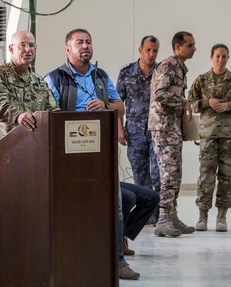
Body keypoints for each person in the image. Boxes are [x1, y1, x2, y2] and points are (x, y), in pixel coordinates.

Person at [45, 28, 158, 280]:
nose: (85, 46)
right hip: (69, 160)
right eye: (79, 43)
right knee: (94, 206)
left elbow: (119, 106)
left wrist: (105, 105)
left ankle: (117, 261)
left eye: (88, 42)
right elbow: (48, 114)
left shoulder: (100, 76)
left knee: (120, 205)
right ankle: (79, 255)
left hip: (102, 157)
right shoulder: (54, 78)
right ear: (67, 49)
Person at [0, 30, 59, 286]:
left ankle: (30, 262)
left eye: (32, 46)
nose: (28, 50)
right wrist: (18, 116)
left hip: (39, 156)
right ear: (11, 49)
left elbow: (53, 111)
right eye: (23, 45)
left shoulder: (38, 81)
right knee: (10, 209)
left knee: (36, 211)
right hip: (11, 155)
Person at [188, 43, 231, 232]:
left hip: (230, 135)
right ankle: (202, 216)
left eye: (224, 56)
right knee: (206, 176)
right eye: (218, 56)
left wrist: (230, 106)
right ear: (211, 57)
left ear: (228, 58)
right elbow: (189, 104)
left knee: (226, 177)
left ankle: (222, 217)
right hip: (209, 135)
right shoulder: (202, 80)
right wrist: (206, 102)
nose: (221, 60)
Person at [149, 31, 196, 237]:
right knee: (168, 173)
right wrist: (183, 102)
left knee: (175, 173)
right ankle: (162, 220)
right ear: (178, 47)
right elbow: (159, 94)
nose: (194, 48)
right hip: (163, 127)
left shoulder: (180, 67)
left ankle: (172, 216)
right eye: (190, 45)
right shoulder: (168, 65)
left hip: (173, 127)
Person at [116, 36, 161, 226]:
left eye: (155, 51)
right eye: (148, 50)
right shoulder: (127, 73)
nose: (151, 54)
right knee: (140, 174)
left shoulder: (162, 72)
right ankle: (145, 215)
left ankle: (158, 215)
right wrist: (119, 129)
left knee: (158, 175)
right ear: (140, 50)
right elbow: (117, 103)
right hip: (134, 132)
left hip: (157, 131)